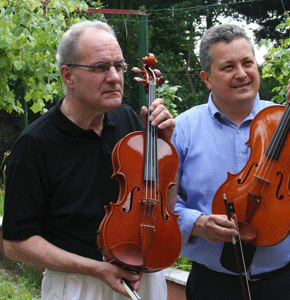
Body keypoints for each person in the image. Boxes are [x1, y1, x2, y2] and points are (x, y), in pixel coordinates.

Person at [172, 24, 290, 300]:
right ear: (206, 78)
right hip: (213, 286)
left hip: (285, 284)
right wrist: (197, 224)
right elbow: (161, 204)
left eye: (247, 63)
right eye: (228, 67)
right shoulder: (182, 130)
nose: (242, 74)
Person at [2, 20, 175, 300]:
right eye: (99, 67)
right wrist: (96, 269)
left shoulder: (129, 121)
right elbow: (16, 243)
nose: (114, 77)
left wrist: (165, 149)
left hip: (144, 277)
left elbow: (162, 204)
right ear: (68, 75)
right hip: (78, 284)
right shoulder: (35, 144)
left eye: (118, 66)